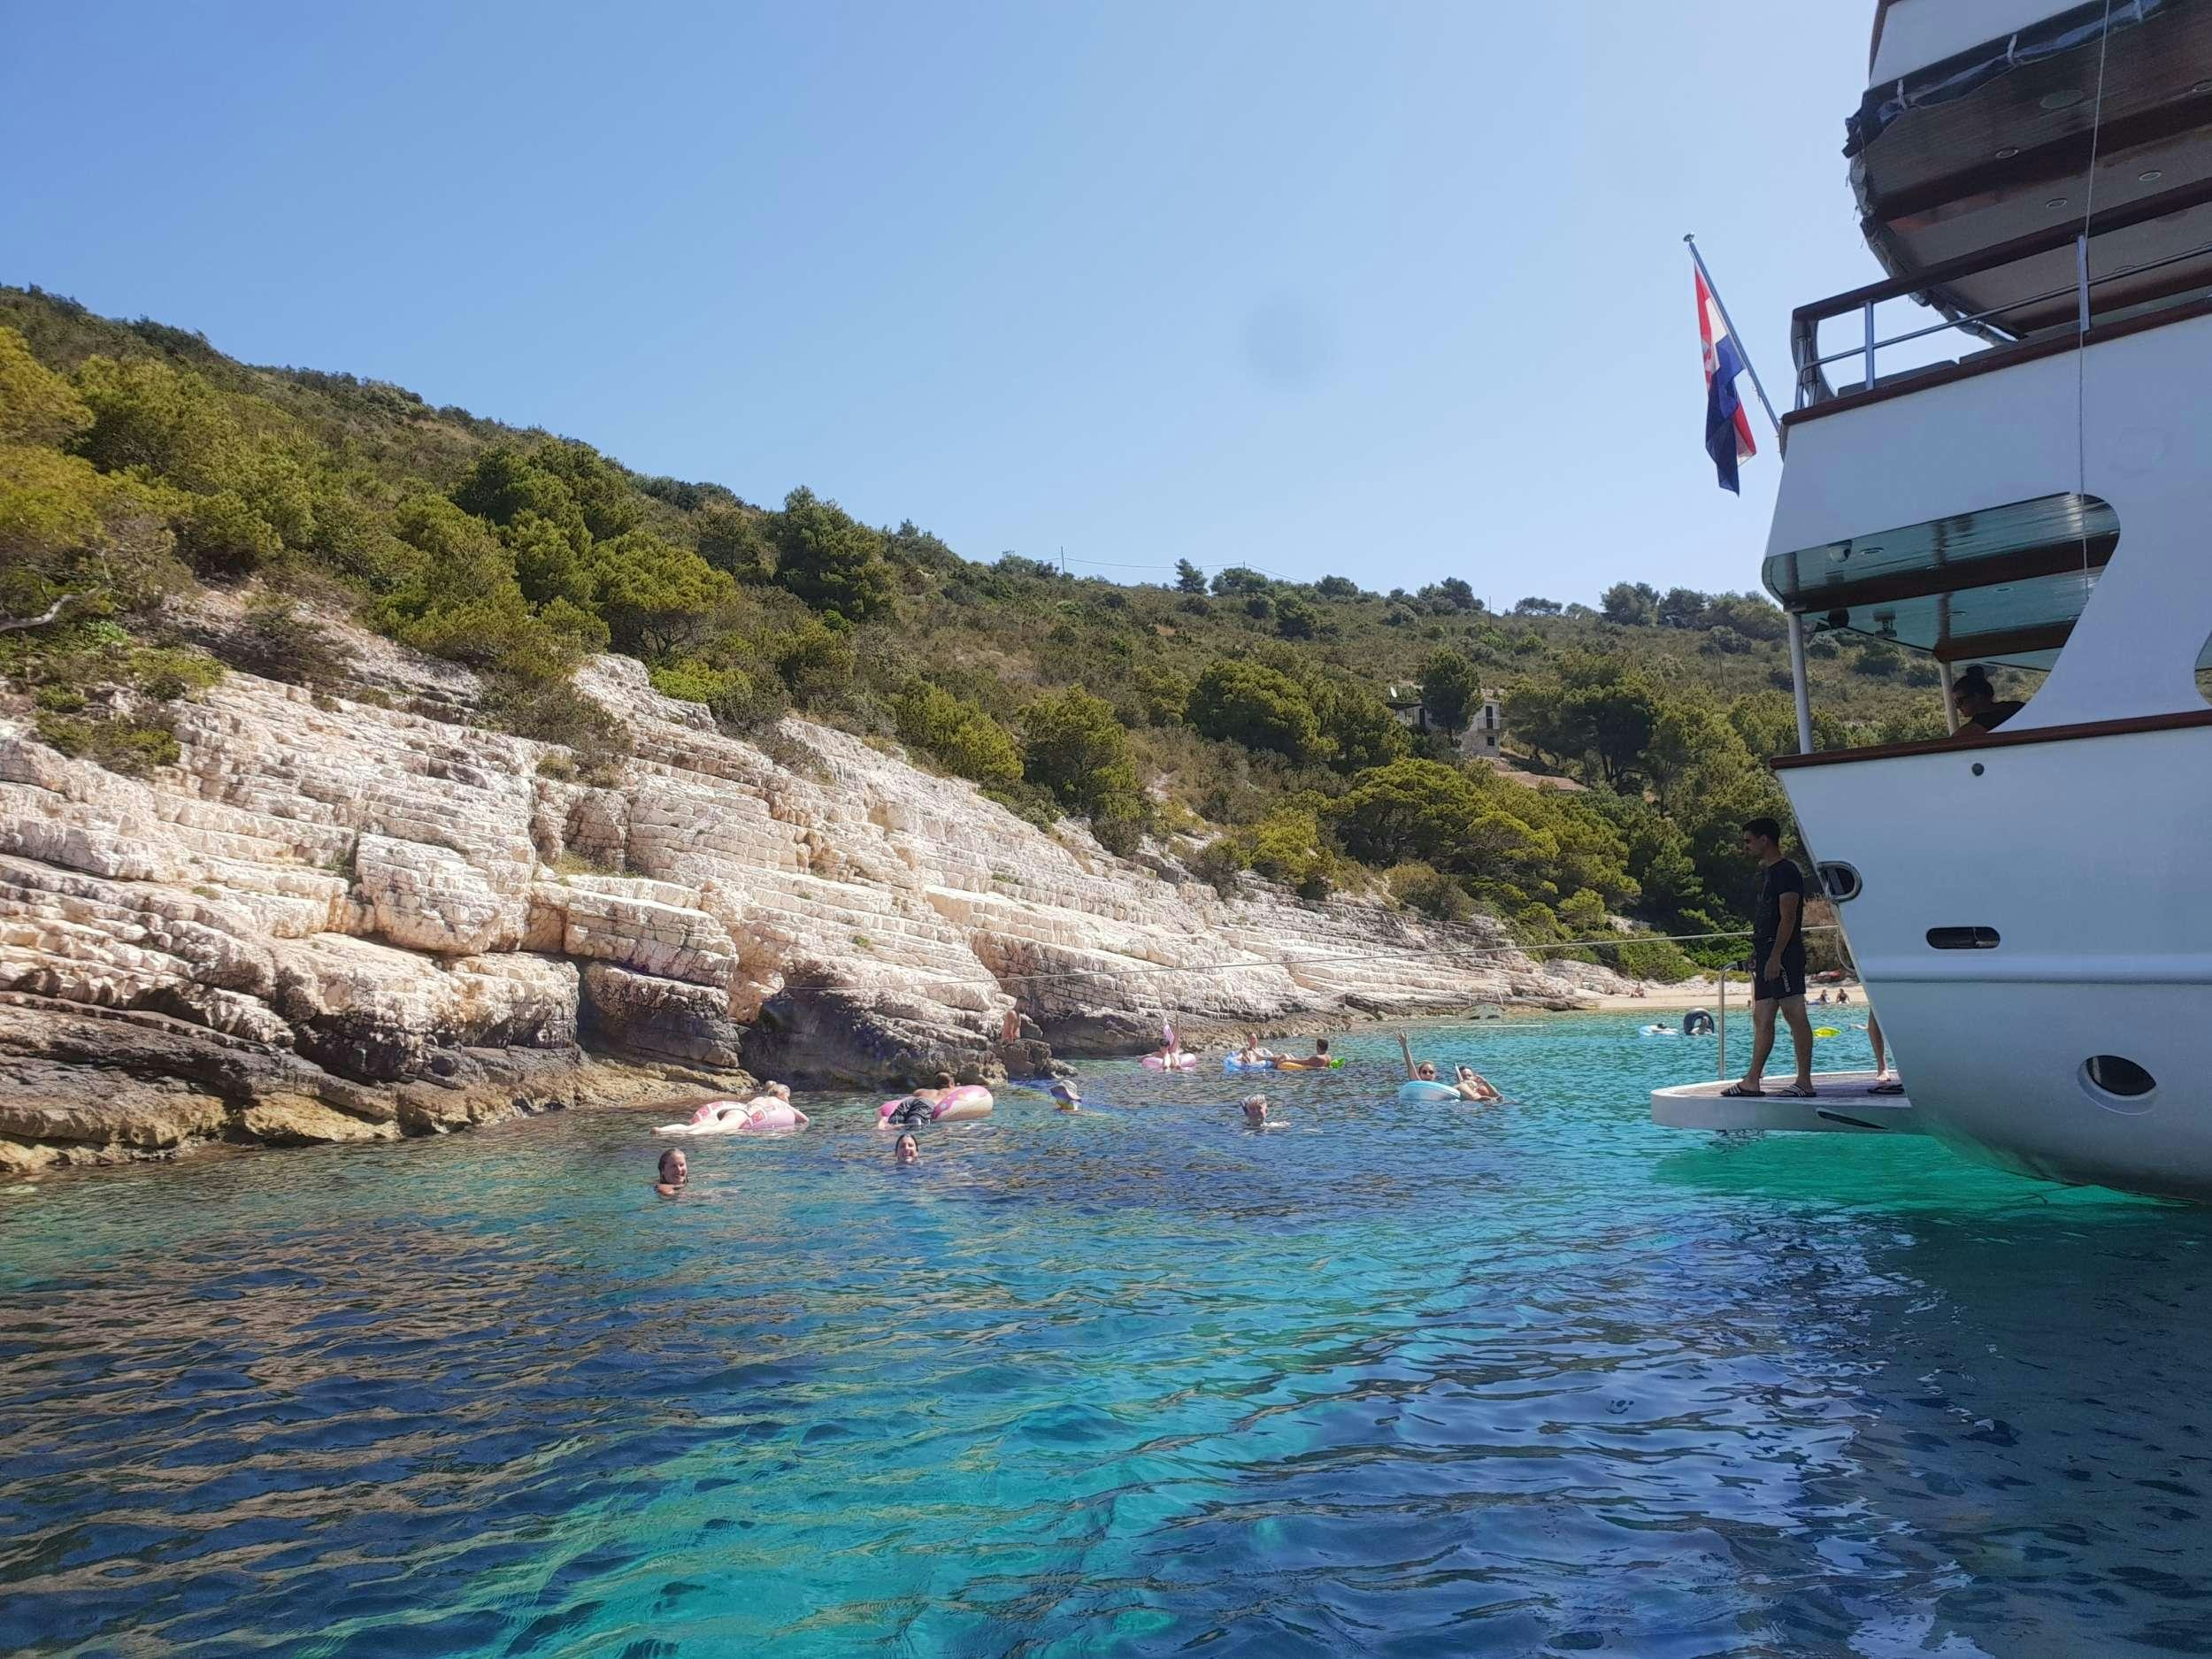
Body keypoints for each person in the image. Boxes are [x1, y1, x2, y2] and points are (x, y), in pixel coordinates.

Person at [1722, 817, 1816, 1099]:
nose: (1745, 846)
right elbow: (1766, 918)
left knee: (1794, 1013)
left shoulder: (1787, 871)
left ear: (1765, 840)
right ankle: (1752, 1080)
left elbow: (1788, 918)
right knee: (1762, 1016)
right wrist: (1759, 955)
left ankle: (1804, 1082)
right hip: (1765, 954)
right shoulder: (1767, 873)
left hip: (1784, 953)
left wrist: (1776, 956)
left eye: (1748, 840)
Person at [1952, 665, 2025, 734]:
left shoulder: (1972, 730)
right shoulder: (2017, 707)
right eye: (1955, 702)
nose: (1957, 706)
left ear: (1977, 696)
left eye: (1959, 701)